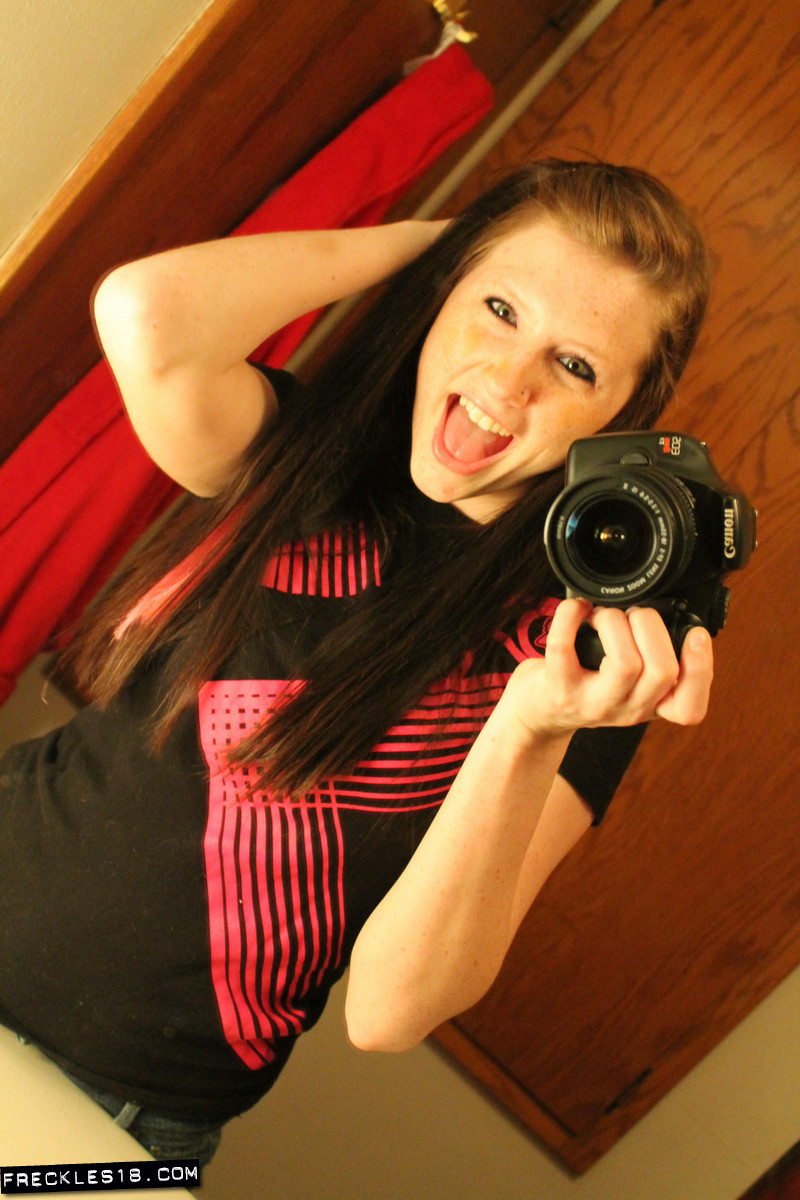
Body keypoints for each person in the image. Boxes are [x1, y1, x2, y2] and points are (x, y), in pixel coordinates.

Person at [0, 160, 714, 1165]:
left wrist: (528, 727)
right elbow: (143, 311)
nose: (507, 380)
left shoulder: (578, 655)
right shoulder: (300, 452)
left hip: (116, 1114)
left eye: (575, 365)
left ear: (621, 418)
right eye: (498, 308)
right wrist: (445, 246)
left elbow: (390, 1010)